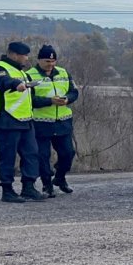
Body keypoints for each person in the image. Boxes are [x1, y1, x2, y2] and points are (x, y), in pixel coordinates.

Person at [0, 41, 46, 203]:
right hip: (6, 120)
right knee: (7, 156)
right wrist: (16, 85)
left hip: (25, 120)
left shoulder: (22, 72)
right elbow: (3, 82)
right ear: (13, 54)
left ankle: (29, 187)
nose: (26, 59)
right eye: (23, 56)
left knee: (32, 154)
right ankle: (7, 190)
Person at [28, 44, 80, 197]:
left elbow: (74, 92)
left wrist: (67, 99)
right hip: (41, 123)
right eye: (46, 61)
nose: (50, 64)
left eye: (53, 61)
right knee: (42, 156)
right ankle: (47, 184)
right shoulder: (30, 75)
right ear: (39, 60)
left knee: (68, 153)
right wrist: (49, 101)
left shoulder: (64, 73)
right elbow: (29, 99)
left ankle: (60, 178)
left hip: (62, 122)